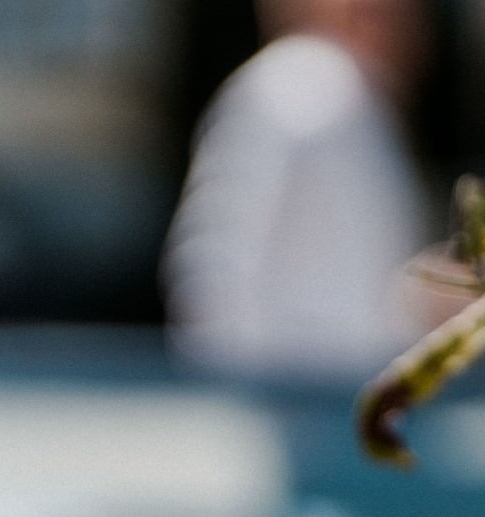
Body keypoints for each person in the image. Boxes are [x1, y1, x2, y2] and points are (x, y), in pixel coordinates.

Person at [165, 0, 434, 378]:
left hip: (340, 392)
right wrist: (238, 392)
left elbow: (362, 285)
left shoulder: (357, 97)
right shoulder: (297, 81)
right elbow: (216, 272)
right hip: (297, 393)